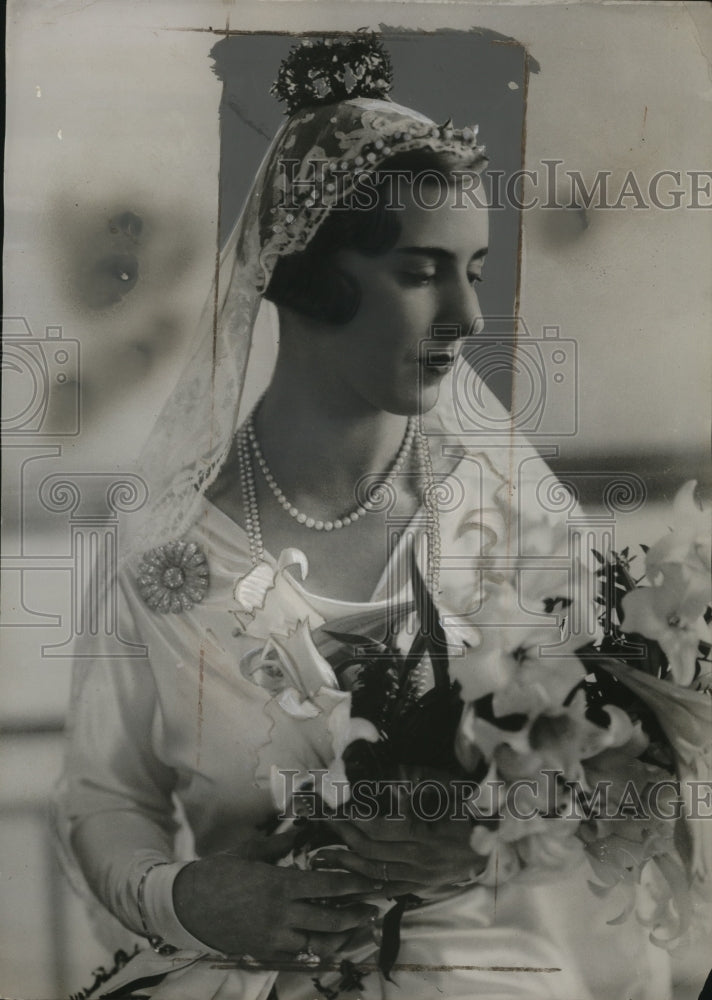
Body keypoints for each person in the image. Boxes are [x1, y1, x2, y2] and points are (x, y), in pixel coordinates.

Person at [56, 36, 673, 1000]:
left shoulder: (515, 519)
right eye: (423, 271)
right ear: (307, 279)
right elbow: (106, 799)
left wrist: (491, 844)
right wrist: (185, 894)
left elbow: (615, 786)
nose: (470, 316)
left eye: (474, 268)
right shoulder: (167, 551)